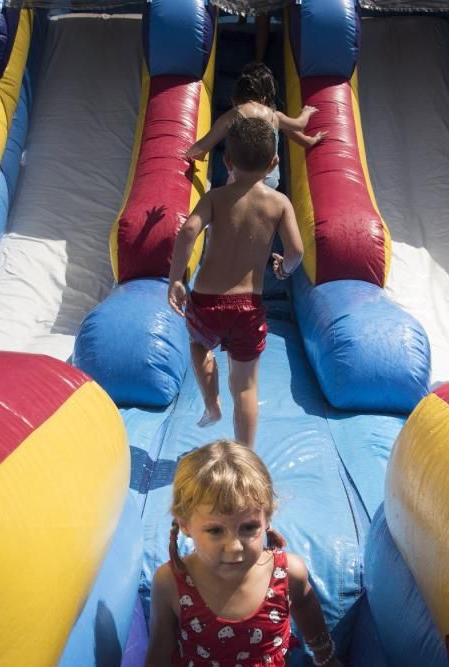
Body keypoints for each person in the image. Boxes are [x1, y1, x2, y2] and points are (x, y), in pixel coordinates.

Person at [169, 116, 304, 448]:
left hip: (206, 300)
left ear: (227, 161)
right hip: (248, 306)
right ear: (273, 164)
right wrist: (284, 269)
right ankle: (245, 458)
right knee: (245, 387)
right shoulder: (279, 203)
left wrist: (175, 279)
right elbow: (296, 250)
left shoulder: (215, 197)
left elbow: (188, 231)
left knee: (200, 346)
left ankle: (212, 405)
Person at [145, 440, 343, 667]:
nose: (235, 547)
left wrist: (326, 657)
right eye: (215, 530)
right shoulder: (171, 583)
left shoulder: (287, 574)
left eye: (248, 528)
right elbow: (160, 649)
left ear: (267, 517)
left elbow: (306, 607)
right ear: (185, 525)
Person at [184, 62, 327, 190]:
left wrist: (184, 156)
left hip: (238, 180)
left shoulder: (233, 115)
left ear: (233, 100)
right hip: (269, 179)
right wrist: (307, 114)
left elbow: (202, 147)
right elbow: (299, 125)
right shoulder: (274, 117)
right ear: (264, 99)